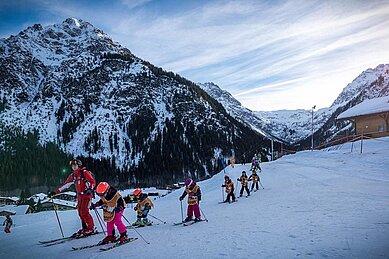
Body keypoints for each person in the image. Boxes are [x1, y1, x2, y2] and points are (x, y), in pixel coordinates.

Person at [48, 159, 96, 237]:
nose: (73, 167)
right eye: (72, 165)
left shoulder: (84, 173)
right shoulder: (72, 175)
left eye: (75, 165)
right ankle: (85, 228)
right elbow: (65, 185)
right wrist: (55, 192)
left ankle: (91, 228)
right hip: (79, 196)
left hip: (87, 195)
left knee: (85, 212)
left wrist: (90, 189)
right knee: (80, 213)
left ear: (79, 165)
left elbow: (92, 181)